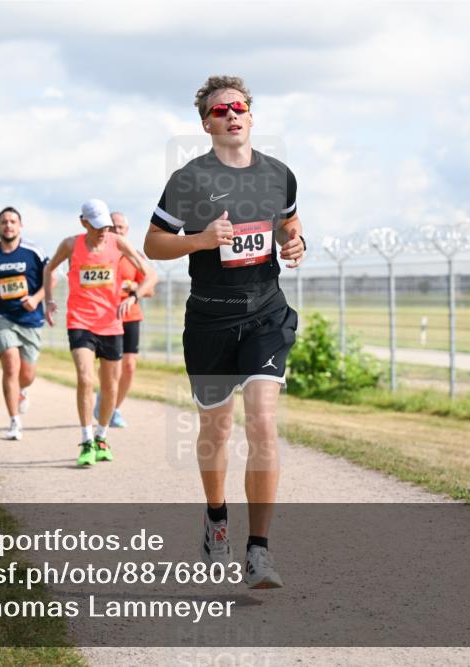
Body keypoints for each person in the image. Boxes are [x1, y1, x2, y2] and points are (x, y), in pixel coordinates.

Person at [143, 75, 306, 589]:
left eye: (239, 107)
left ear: (252, 116)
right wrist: (200, 239)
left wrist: (297, 244)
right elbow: (153, 244)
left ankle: (259, 550)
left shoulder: (280, 175)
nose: (231, 115)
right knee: (215, 429)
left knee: (261, 420)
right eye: (220, 111)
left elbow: (290, 225)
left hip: (265, 315)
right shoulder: (189, 180)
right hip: (211, 319)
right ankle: (217, 519)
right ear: (206, 124)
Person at [44, 199, 152, 467]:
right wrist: (48, 300)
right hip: (80, 321)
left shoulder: (118, 243)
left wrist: (134, 296)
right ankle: (86, 439)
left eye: (106, 225)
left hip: (112, 324)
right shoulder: (71, 244)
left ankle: (102, 437)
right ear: (84, 223)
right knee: (85, 377)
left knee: (110, 386)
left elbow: (150, 274)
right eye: (97, 226)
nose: (104, 231)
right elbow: (49, 268)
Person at [0, 207, 48, 441]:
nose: (8, 225)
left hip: (30, 318)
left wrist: (35, 299)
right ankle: (14, 421)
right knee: (11, 366)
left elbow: (50, 278)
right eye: (4, 222)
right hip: (0, 317)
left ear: (20, 226)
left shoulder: (33, 252)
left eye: (13, 221)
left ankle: (22, 390)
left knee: (27, 374)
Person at [94, 212, 158, 428]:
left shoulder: (136, 257)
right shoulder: (98, 254)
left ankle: (114, 409)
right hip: (105, 318)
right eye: (113, 227)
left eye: (121, 227)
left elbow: (150, 290)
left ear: (127, 231)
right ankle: (104, 398)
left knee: (129, 367)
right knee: (110, 367)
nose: (117, 231)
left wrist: (134, 290)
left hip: (130, 316)